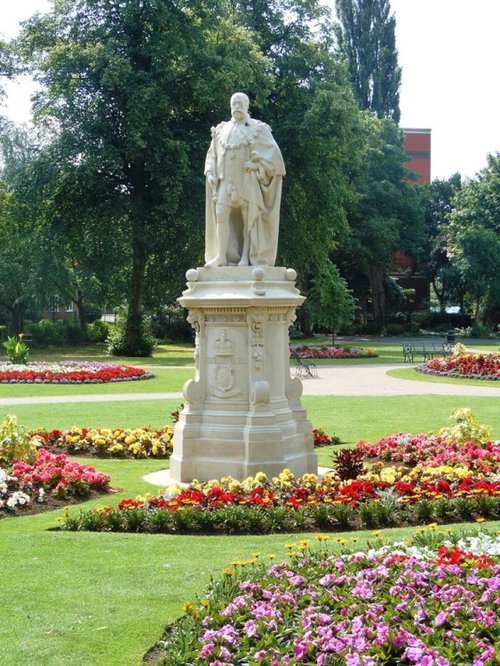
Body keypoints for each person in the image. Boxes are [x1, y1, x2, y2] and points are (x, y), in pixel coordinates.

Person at [204, 92, 285, 267]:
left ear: (247, 106)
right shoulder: (221, 130)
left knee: (249, 219)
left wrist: (257, 165)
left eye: (241, 103)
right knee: (221, 217)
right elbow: (212, 155)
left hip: (247, 183)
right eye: (234, 102)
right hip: (225, 182)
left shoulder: (258, 128)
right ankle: (221, 256)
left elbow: (275, 159)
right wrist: (210, 172)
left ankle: (246, 257)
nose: (237, 106)